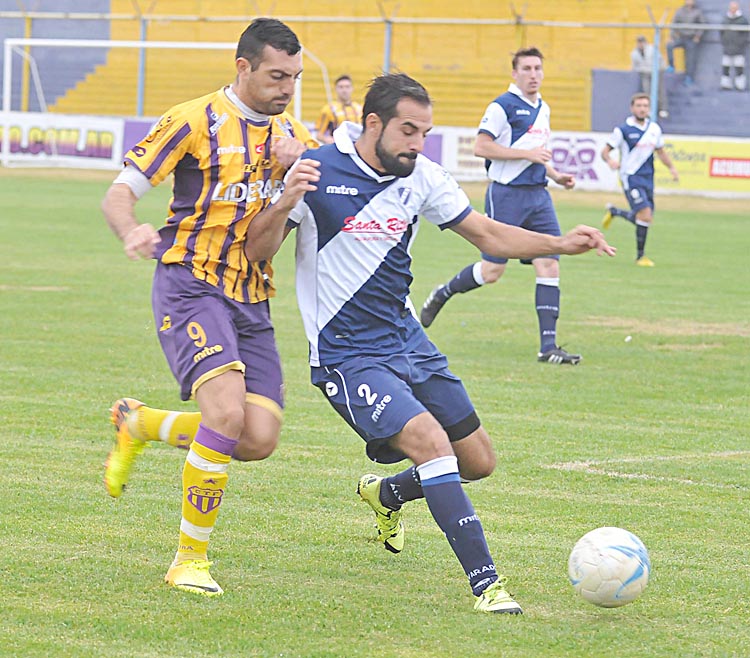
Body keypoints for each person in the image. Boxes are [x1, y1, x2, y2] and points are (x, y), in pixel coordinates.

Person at [245, 73, 616, 614]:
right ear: (374, 123)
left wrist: (559, 243)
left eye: (425, 132)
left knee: (478, 461)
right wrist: (284, 201)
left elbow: (487, 234)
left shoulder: (423, 176)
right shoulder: (317, 171)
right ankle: (488, 586)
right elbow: (257, 252)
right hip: (347, 354)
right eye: (409, 131)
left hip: (408, 340)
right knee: (431, 444)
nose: (418, 143)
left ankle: (387, 493)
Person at [101, 18, 317, 598]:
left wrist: (292, 175)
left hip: (252, 296)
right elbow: (119, 193)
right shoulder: (193, 119)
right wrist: (130, 229)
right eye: (277, 75)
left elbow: (272, 241)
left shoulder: (294, 137)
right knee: (224, 415)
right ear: (243, 67)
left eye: (294, 77)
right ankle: (188, 561)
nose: (287, 88)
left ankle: (140, 424)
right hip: (190, 284)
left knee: (257, 438)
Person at [419, 47, 583, 366]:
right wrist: (527, 155)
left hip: (539, 195)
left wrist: (556, 175)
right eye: (527, 68)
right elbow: (482, 147)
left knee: (550, 263)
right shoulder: (502, 106)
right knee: (493, 271)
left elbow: (537, 152)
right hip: (507, 195)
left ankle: (548, 347)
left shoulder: (543, 108)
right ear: (514, 73)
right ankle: (444, 292)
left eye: (538, 68)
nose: (533, 74)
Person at [601, 92, 679, 266]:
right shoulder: (623, 130)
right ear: (632, 108)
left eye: (645, 106)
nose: (642, 109)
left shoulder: (654, 129)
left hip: (648, 178)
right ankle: (640, 257)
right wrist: (610, 161)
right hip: (630, 177)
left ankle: (615, 212)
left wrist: (672, 168)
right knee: (644, 214)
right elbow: (604, 151)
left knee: (646, 218)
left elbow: (661, 152)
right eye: (639, 106)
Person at [665, 0, 705, 86]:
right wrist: (672, 36)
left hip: (691, 38)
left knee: (690, 59)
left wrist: (697, 36)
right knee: (669, 45)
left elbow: (702, 24)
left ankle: (689, 77)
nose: (689, 1)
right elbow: (674, 23)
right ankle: (671, 65)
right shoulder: (680, 11)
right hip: (681, 37)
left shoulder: (697, 12)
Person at [314, 74, 363, 144]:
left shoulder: (359, 108)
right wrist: (328, 140)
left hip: (359, 145)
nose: (344, 90)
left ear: (352, 88)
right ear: (336, 89)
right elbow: (319, 135)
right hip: (340, 146)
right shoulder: (329, 109)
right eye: (341, 87)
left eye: (347, 87)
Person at [631, 35, 669, 119]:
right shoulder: (634, 53)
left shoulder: (652, 50)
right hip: (645, 73)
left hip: (656, 72)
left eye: (642, 42)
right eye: (639, 43)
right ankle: (650, 110)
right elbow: (634, 66)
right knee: (646, 91)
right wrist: (641, 70)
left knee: (660, 90)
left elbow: (660, 60)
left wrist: (661, 69)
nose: (640, 44)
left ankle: (663, 109)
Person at [720, 1, 749, 91]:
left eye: (734, 7)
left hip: (739, 49)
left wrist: (740, 43)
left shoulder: (743, 20)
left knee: (739, 68)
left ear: (737, 8)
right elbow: (721, 32)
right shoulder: (725, 19)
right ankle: (725, 85)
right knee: (726, 68)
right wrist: (725, 42)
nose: (733, 9)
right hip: (727, 48)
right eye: (731, 7)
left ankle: (740, 86)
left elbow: (745, 34)